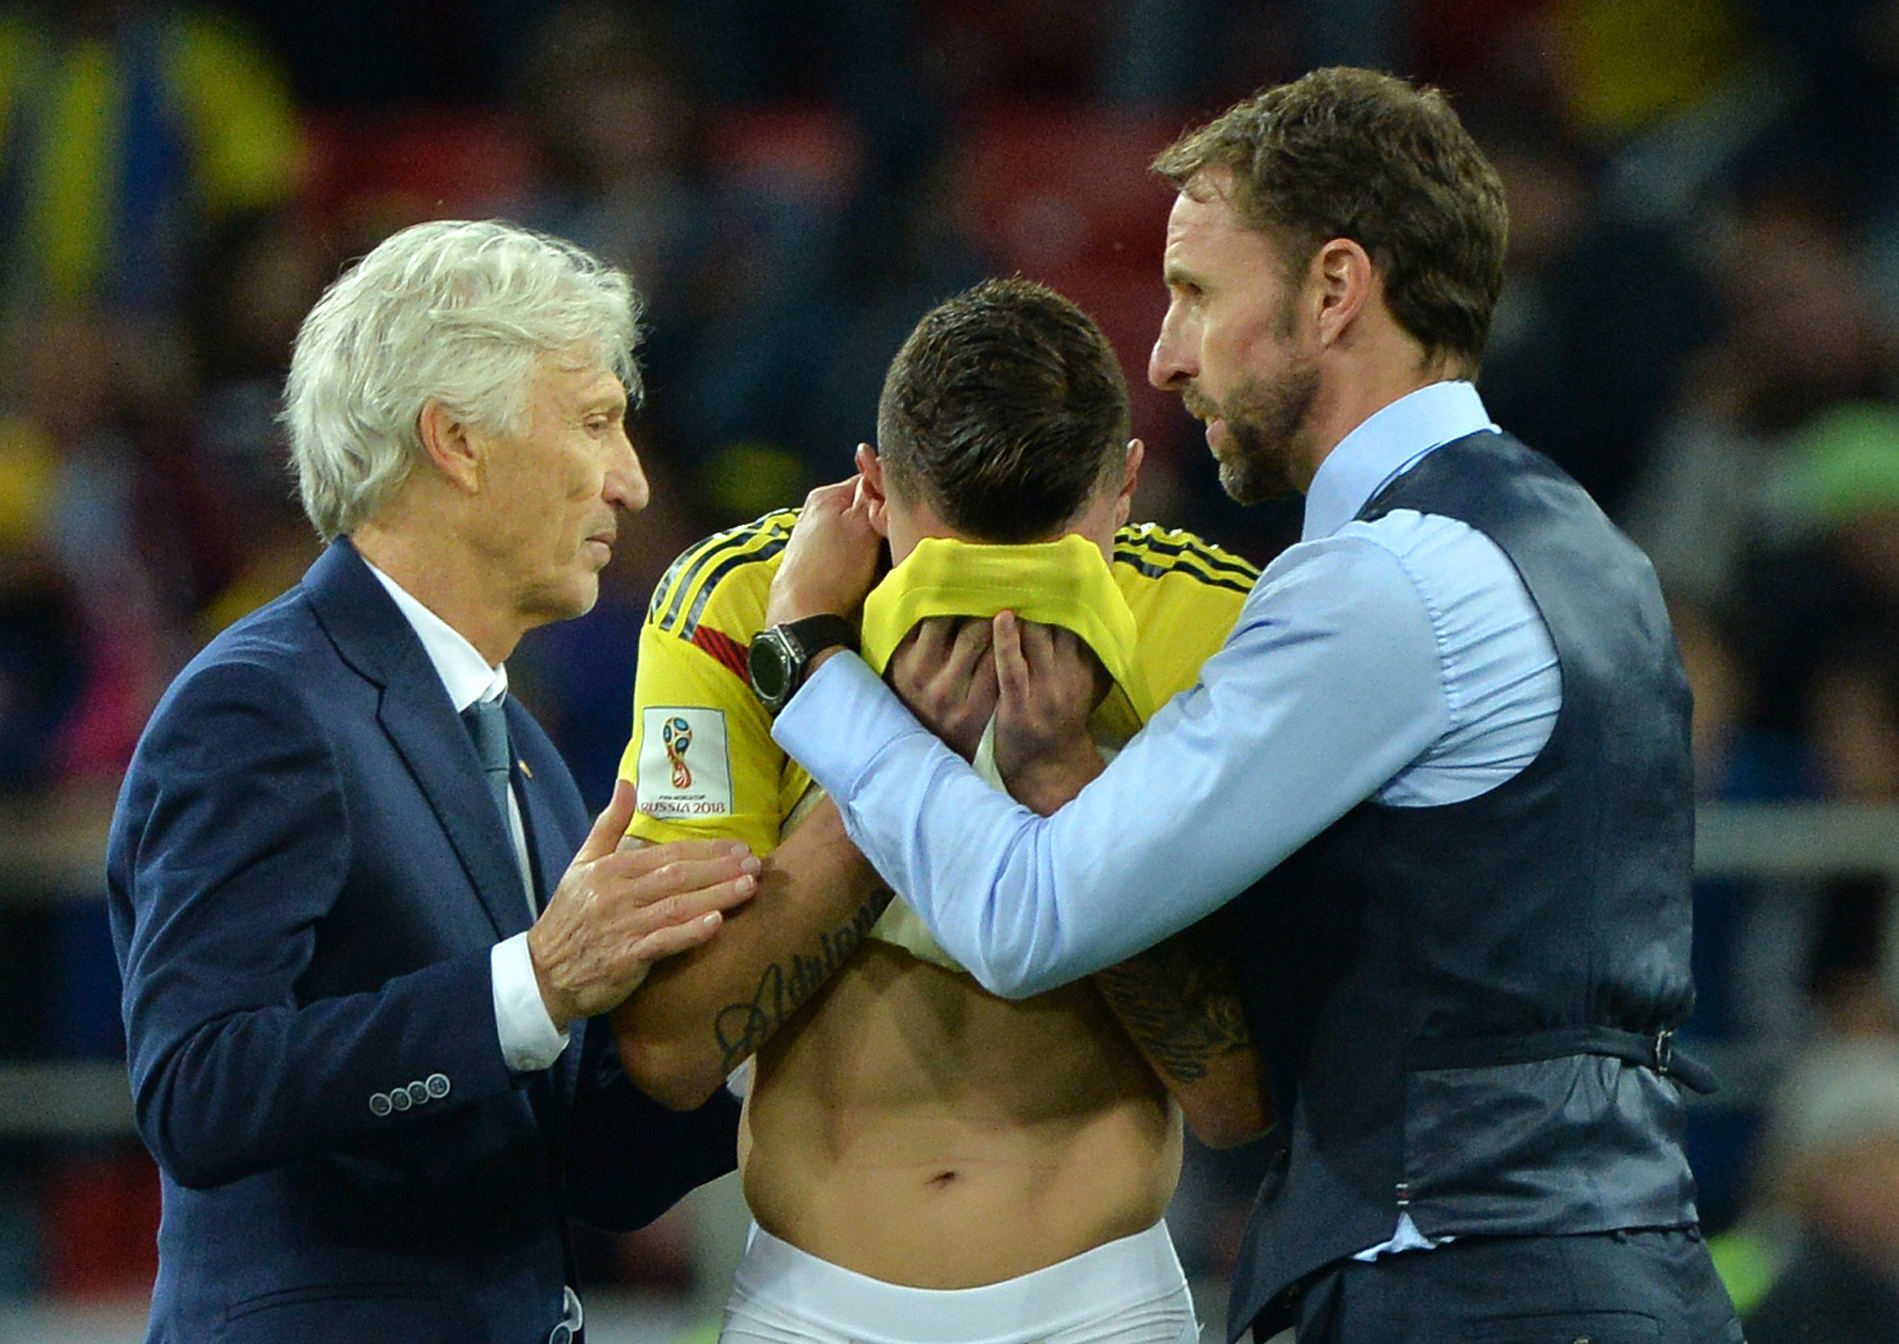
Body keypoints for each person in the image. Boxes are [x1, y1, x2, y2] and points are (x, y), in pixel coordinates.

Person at [756, 68, 1743, 1343]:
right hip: (1605, 1264)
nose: (1163, 358)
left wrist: (811, 665)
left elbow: (1025, 913)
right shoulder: (1585, 546)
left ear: (1335, 289)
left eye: (1196, 294)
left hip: (1457, 1284)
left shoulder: (1379, 585)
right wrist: (1071, 782)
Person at [106, 219, 759, 1343]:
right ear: (456, 441)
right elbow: (198, 1090)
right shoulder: (259, 705)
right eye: (599, 423)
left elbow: (586, 1173)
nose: (634, 482)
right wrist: (535, 986)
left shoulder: (527, 749)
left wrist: (758, 1008)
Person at [610, 278, 1269, 1344]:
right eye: (954, 567)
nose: (996, 611)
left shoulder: (1215, 623)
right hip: (807, 1305)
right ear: (871, 489)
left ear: (1128, 488)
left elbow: (1238, 1095)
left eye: (1052, 568)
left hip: (1100, 1303)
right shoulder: (739, 605)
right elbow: (672, 1052)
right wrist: (889, 745)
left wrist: (1066, 781)